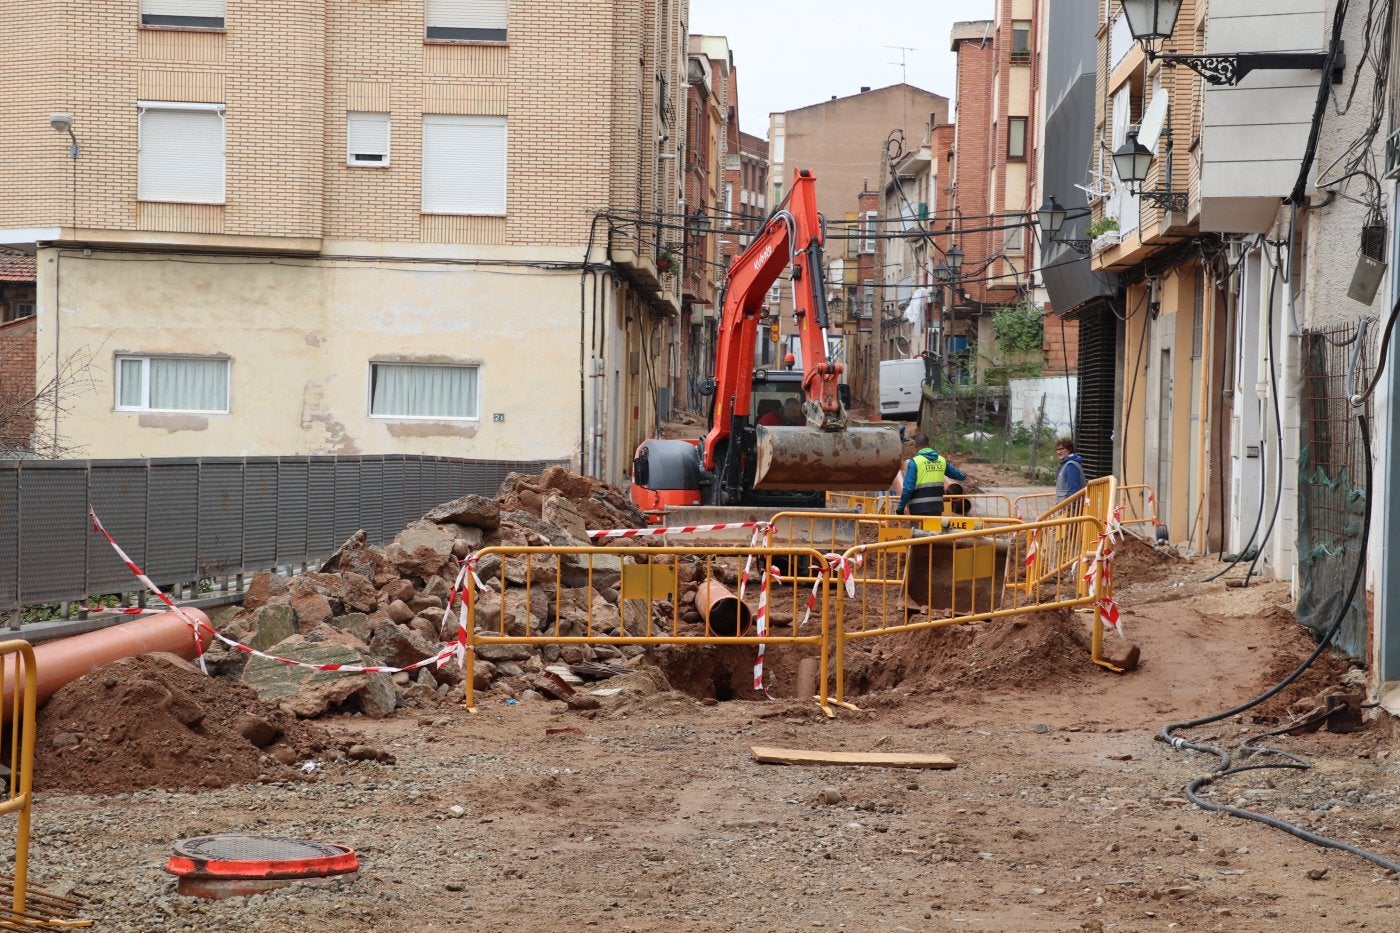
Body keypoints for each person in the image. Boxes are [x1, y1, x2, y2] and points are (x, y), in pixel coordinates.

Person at [896, 433, 967, 516]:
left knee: (918, 529)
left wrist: (900, 508)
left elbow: (908, 489)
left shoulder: (914, 462)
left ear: (915, 446)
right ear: (929, 444)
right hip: (936, 508)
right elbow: (957, 474)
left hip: (918, 509)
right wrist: (963, 475)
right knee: (934, 529)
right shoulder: (941, 460)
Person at [1055, 436, 1086, 501]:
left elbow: (1074, 490)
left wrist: (1072, 508)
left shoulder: (1071, 465)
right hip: (1066, 506)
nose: (1058, 452)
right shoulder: (1065, 464)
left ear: (1069, 449)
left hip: (1070, 508)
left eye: (1061, 449)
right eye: (1057, 449)